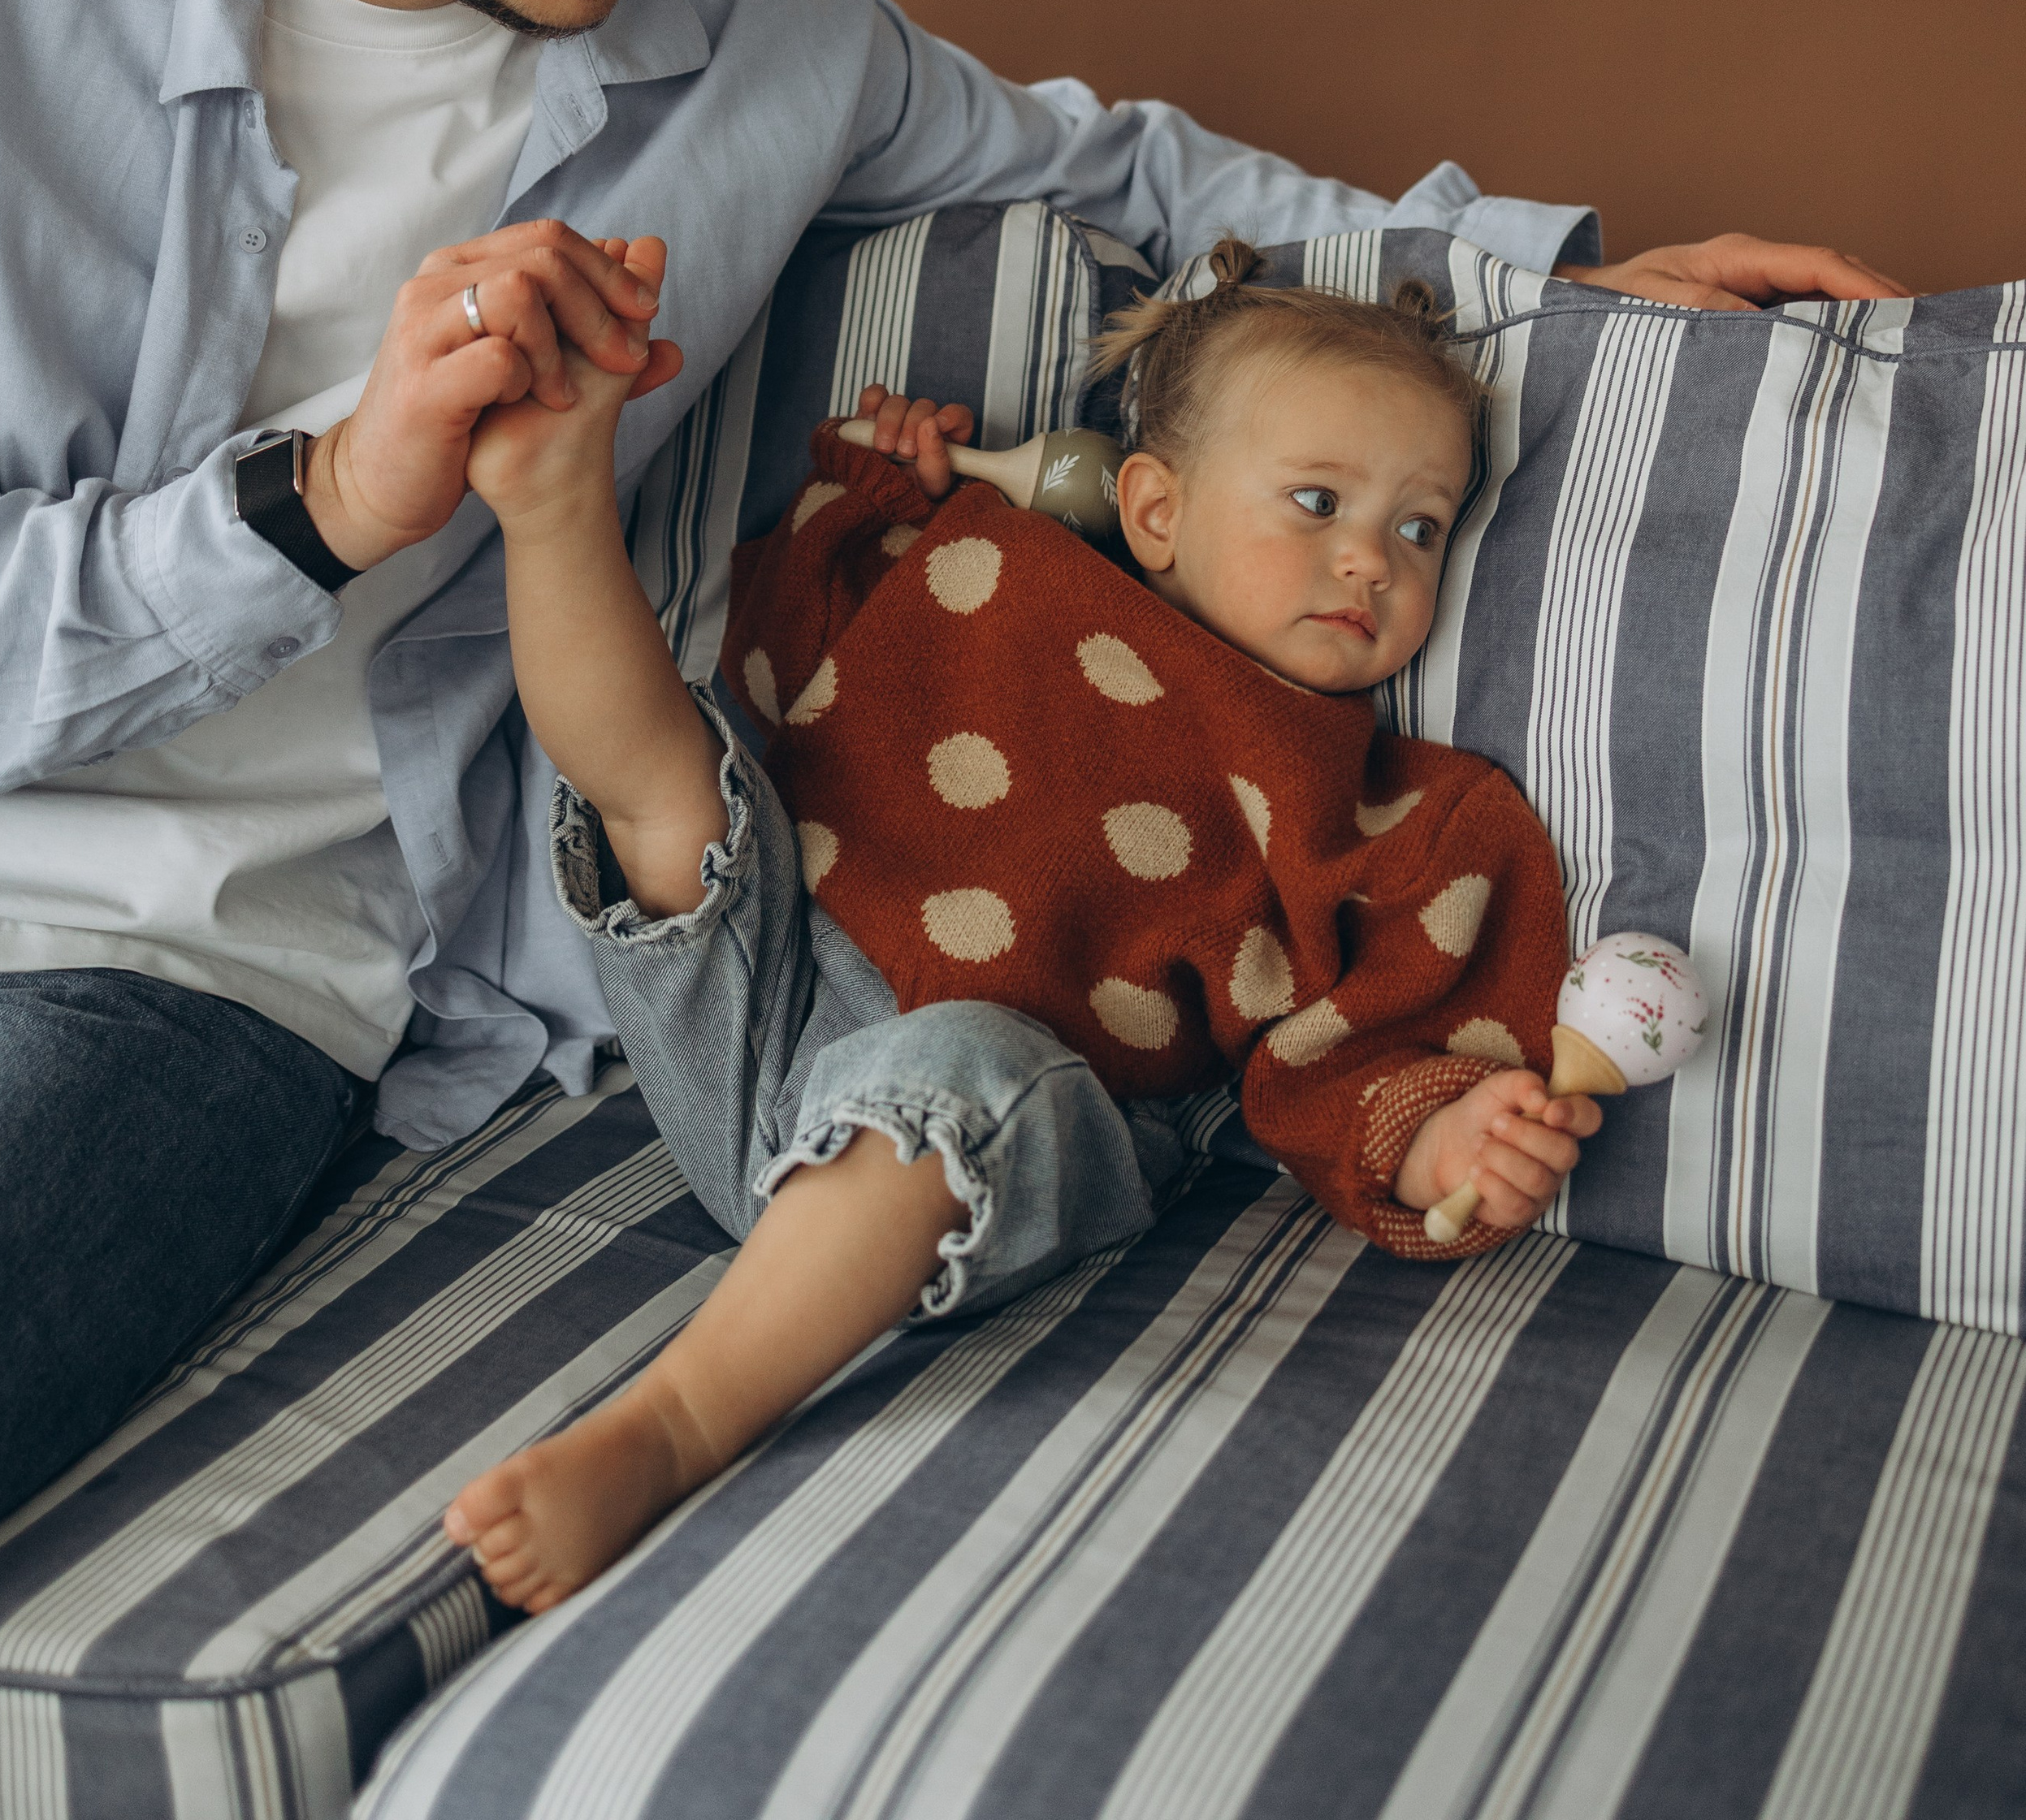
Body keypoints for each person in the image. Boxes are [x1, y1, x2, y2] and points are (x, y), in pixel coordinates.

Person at [0, 0, 1902, 1556]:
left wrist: (1556, 281)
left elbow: (1147, 188)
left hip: (181, 959)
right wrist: (320, 506)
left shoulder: (753, 18)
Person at [442, 238, 1596, 1610]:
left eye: (1421, 528)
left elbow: (1354, 1044)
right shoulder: (999, 560)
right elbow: (791, 650)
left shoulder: (1373, 800)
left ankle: (675, 1424)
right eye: (1316, 499)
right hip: (772, 1002)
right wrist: (875, 492)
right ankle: (549, 509)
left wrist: (1446, 1134)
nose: (1371, 562)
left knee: (953, 1071)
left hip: (1021, 1110)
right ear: (1153, 508)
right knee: (671, 792)